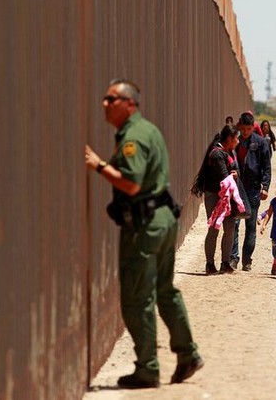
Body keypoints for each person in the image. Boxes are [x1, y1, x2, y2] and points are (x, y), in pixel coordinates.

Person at [85, 79, 203, 388]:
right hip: (163, 219)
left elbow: (132, 183)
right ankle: (188, 354)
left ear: (129, 104)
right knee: (165, 291)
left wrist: (98, 165)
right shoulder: (148, 130)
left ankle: (148, 368)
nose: (105, 104)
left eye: (111, 99)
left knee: (137, 297)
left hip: (144, 225)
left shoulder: (132, 137)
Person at [191, 125, 240, 275]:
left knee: (230, 228)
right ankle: (210, 264)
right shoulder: (217, 154)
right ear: (229, 139)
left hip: (227, 196)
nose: (238, 141)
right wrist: (233, 175)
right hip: (214, 196)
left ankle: (225, 262)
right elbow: (225, 177)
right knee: (214, 229)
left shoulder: (228, 152)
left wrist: (235, 173)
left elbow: (234, 170)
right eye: (236, 138)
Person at [230, 112, 271, 271]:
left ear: (253, 127)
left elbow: (266, 167)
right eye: (243, 128)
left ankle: (247, 260)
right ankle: (234, 258)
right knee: (234, 223)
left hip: (253, 189)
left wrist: (265, 187)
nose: (246, 132)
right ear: (240, 126)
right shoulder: (234, 141)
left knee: (251, 226)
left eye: (249, 129)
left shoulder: (260, 143)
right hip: (237, 188)